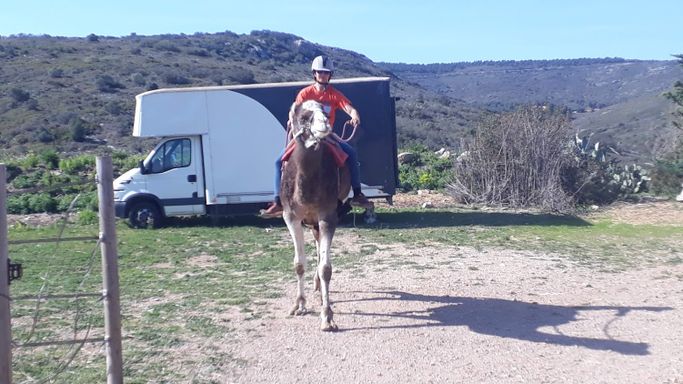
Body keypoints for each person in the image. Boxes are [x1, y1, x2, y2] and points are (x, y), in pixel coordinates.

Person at [261, 55, 371, 217]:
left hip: (326, 134)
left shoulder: (334, 94)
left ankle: (357, 194)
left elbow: (349, 108)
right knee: (278, 162)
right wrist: (293, 122)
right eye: (320, 72)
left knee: (351, 155)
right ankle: (278, 202)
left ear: (330, 75)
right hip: (305, 135)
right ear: (314, 74)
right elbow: (296, 111)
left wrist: (354, 115)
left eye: (326, 73)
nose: (323, 76)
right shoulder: (305, 93)